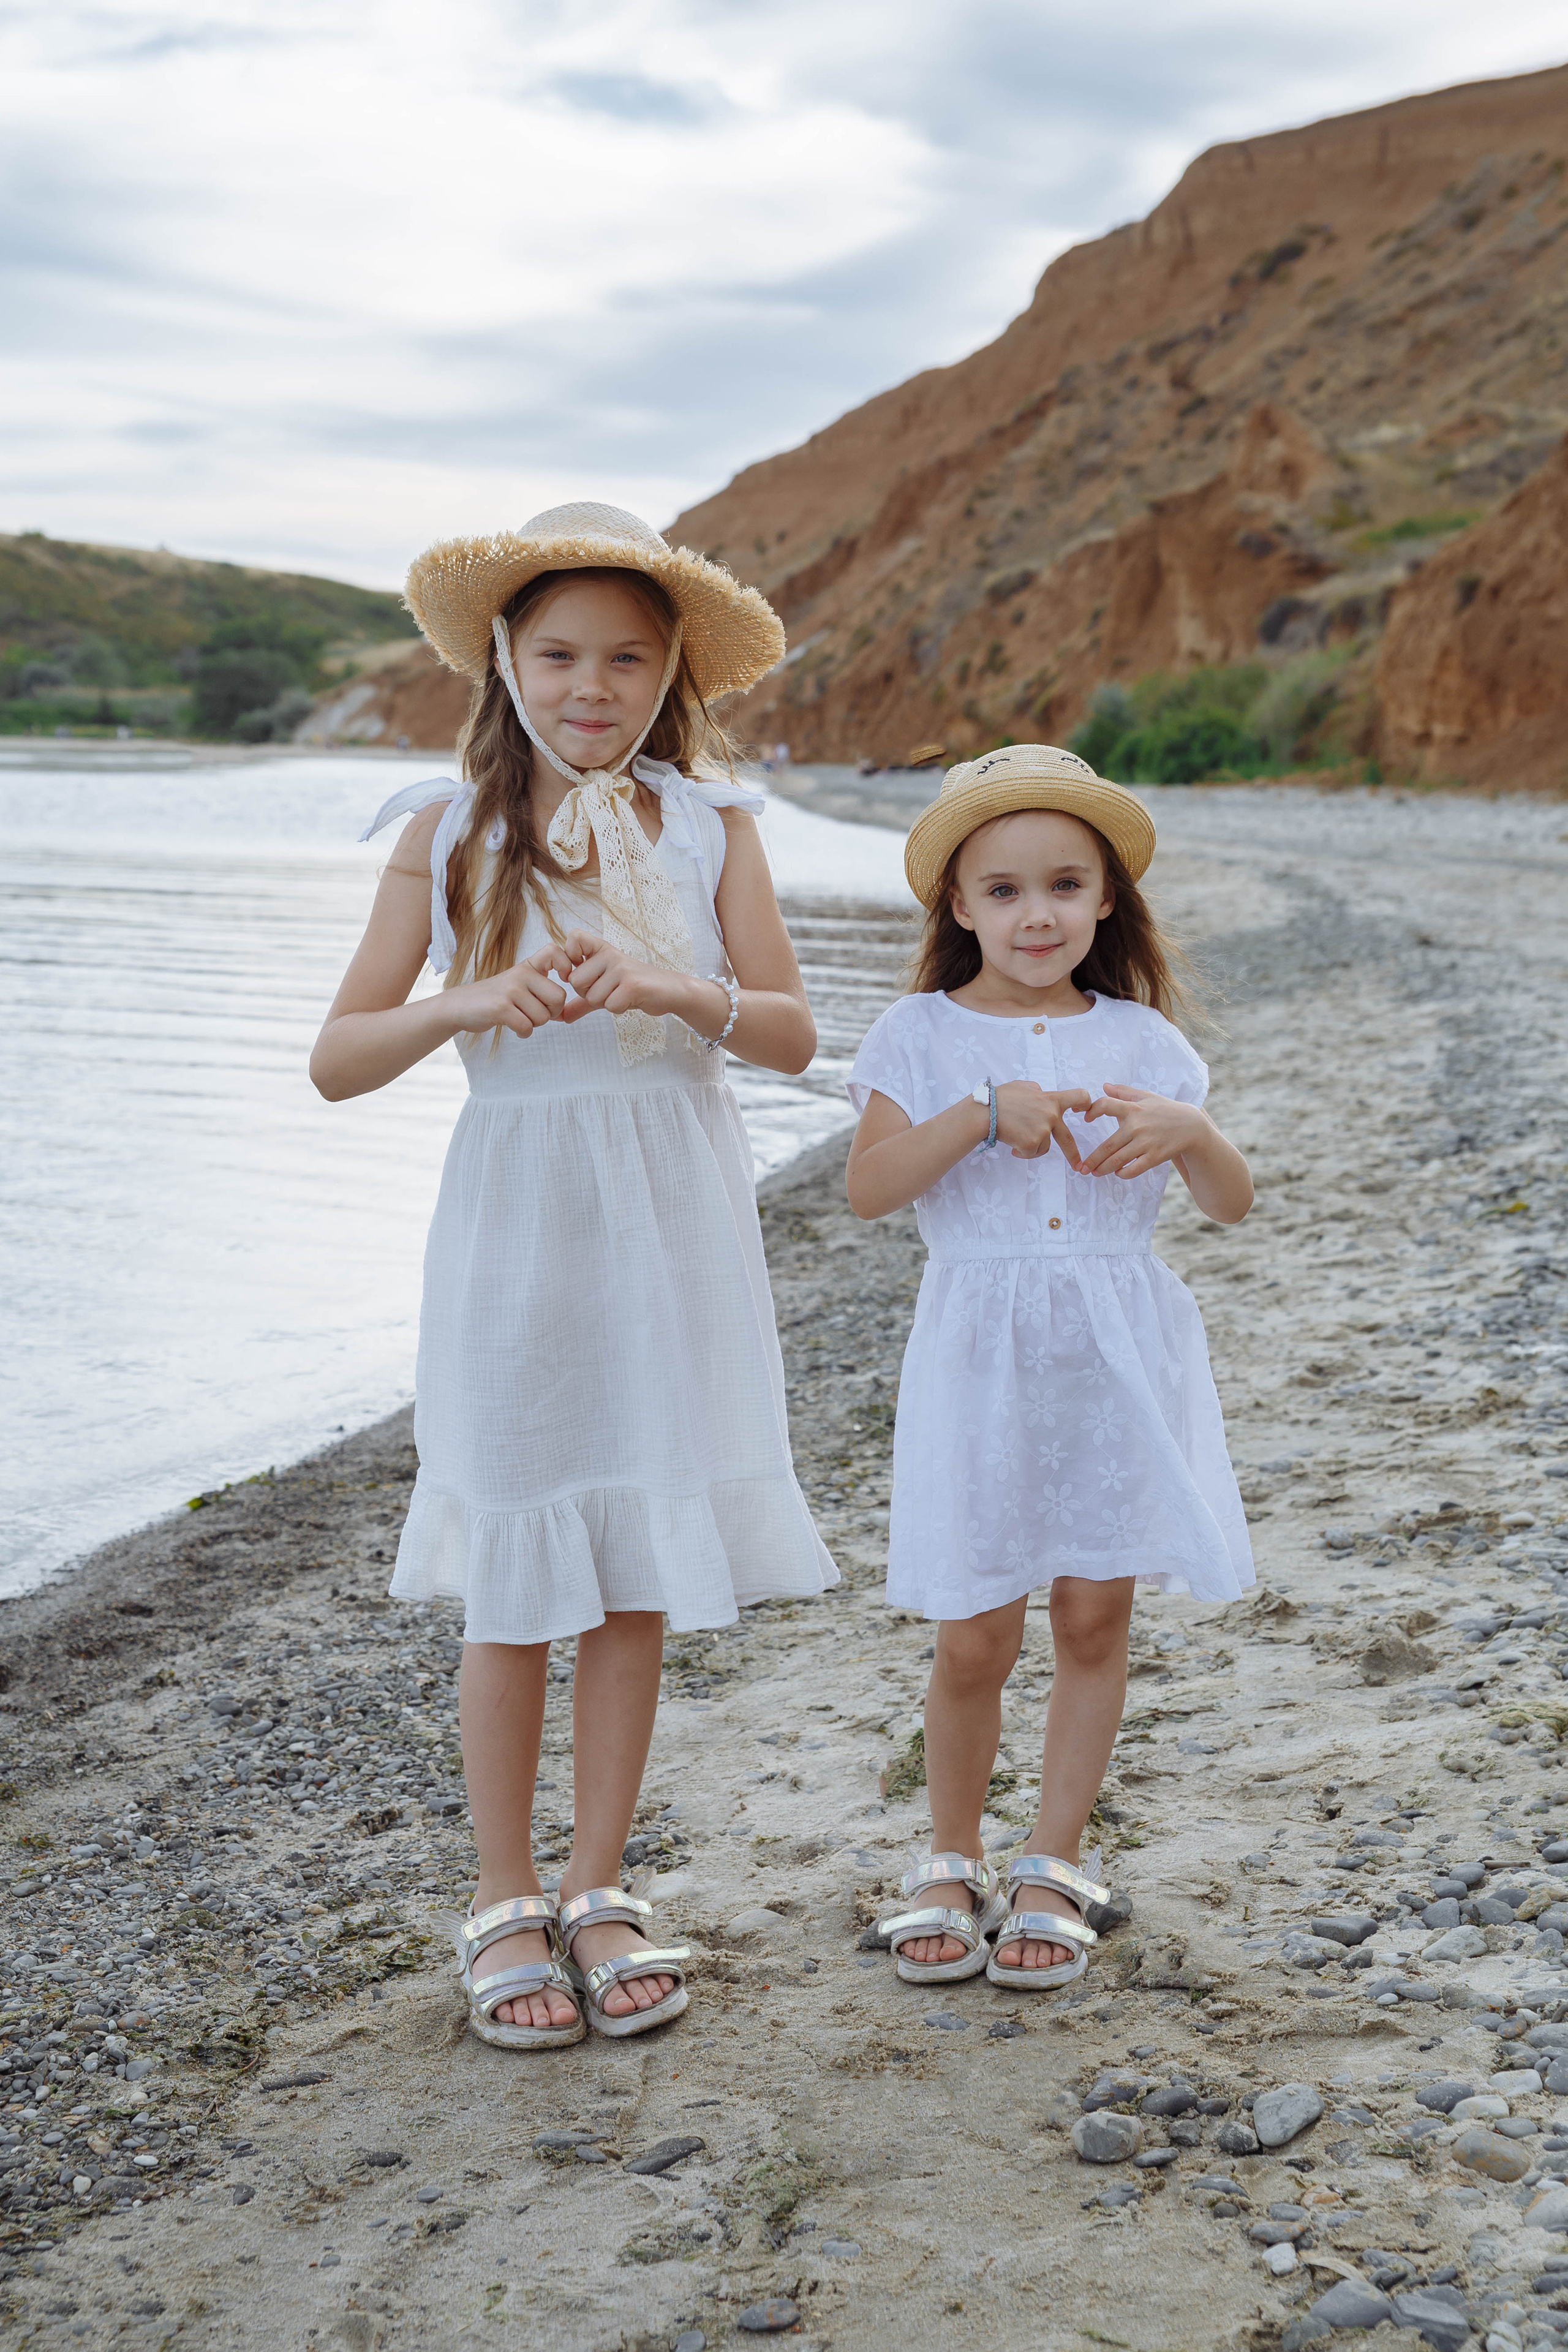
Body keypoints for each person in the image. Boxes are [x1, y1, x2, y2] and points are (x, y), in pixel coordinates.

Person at [311, 503, 836, 2048]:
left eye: (625, 656)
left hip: (673, 1211)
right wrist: (476, 995)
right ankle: (499, 1895)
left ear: (672, 668)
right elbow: (340, 1059)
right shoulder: (445, 831)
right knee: (518, 1568)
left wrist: (677, 983)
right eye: (557, 654)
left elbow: (795, 1035)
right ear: (502, 657)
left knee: (632, 1576)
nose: (590, 685)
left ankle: (599, 1885)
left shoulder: (710, 825)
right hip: (521, 1218)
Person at [845, 744, 1253, 1991]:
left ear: (1104, 903)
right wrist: (975, 1113)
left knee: (1090, 1613)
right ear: (958, 907)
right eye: (1006, 890)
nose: (1037, 914)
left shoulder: (1142, 1039)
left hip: (1112, 1361)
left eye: (1064, 886)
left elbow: (1229, 1205)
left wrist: (1193, 1133)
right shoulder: (917, 1035)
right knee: (974, 1629)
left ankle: (1049, 1857)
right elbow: (866, 1191)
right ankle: (950, 1852)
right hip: (979, 1357)